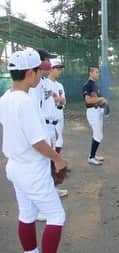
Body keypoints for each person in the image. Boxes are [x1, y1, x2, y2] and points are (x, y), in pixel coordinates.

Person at [0, 48, 67, 253]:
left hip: (15, 166)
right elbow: (37, 142)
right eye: (39, 70)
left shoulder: (5, 98)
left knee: (27, 215)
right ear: (30, 73)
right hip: (31, 168)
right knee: (56, 216)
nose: (42, 74)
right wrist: (58, 159)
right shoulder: (26, 102)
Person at [47, 58, 68, 197]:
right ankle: (50, 187)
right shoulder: (44, 84)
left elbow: (62, 101)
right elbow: (52, 100)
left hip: (59, 120)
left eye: (60, 68)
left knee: (57, 149)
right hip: (48, 123)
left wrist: (59, 100)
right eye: (57, 68)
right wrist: (56, 99)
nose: (59, 70)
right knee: (49, 156)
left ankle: (53, 185)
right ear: (50, 69)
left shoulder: (60, 85)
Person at [83, 66, 107, 165]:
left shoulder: (95, 85)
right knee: (98, 135)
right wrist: (101, 99)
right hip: (92, 111)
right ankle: (91, 157)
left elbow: (98, 100)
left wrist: (104, 103)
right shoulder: (87, 85)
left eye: (98, 72)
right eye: (96, 72)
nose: (98, 74)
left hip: (98, 111)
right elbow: (88, 100)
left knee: (98, 135)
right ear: (91, 73)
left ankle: (93, 155)